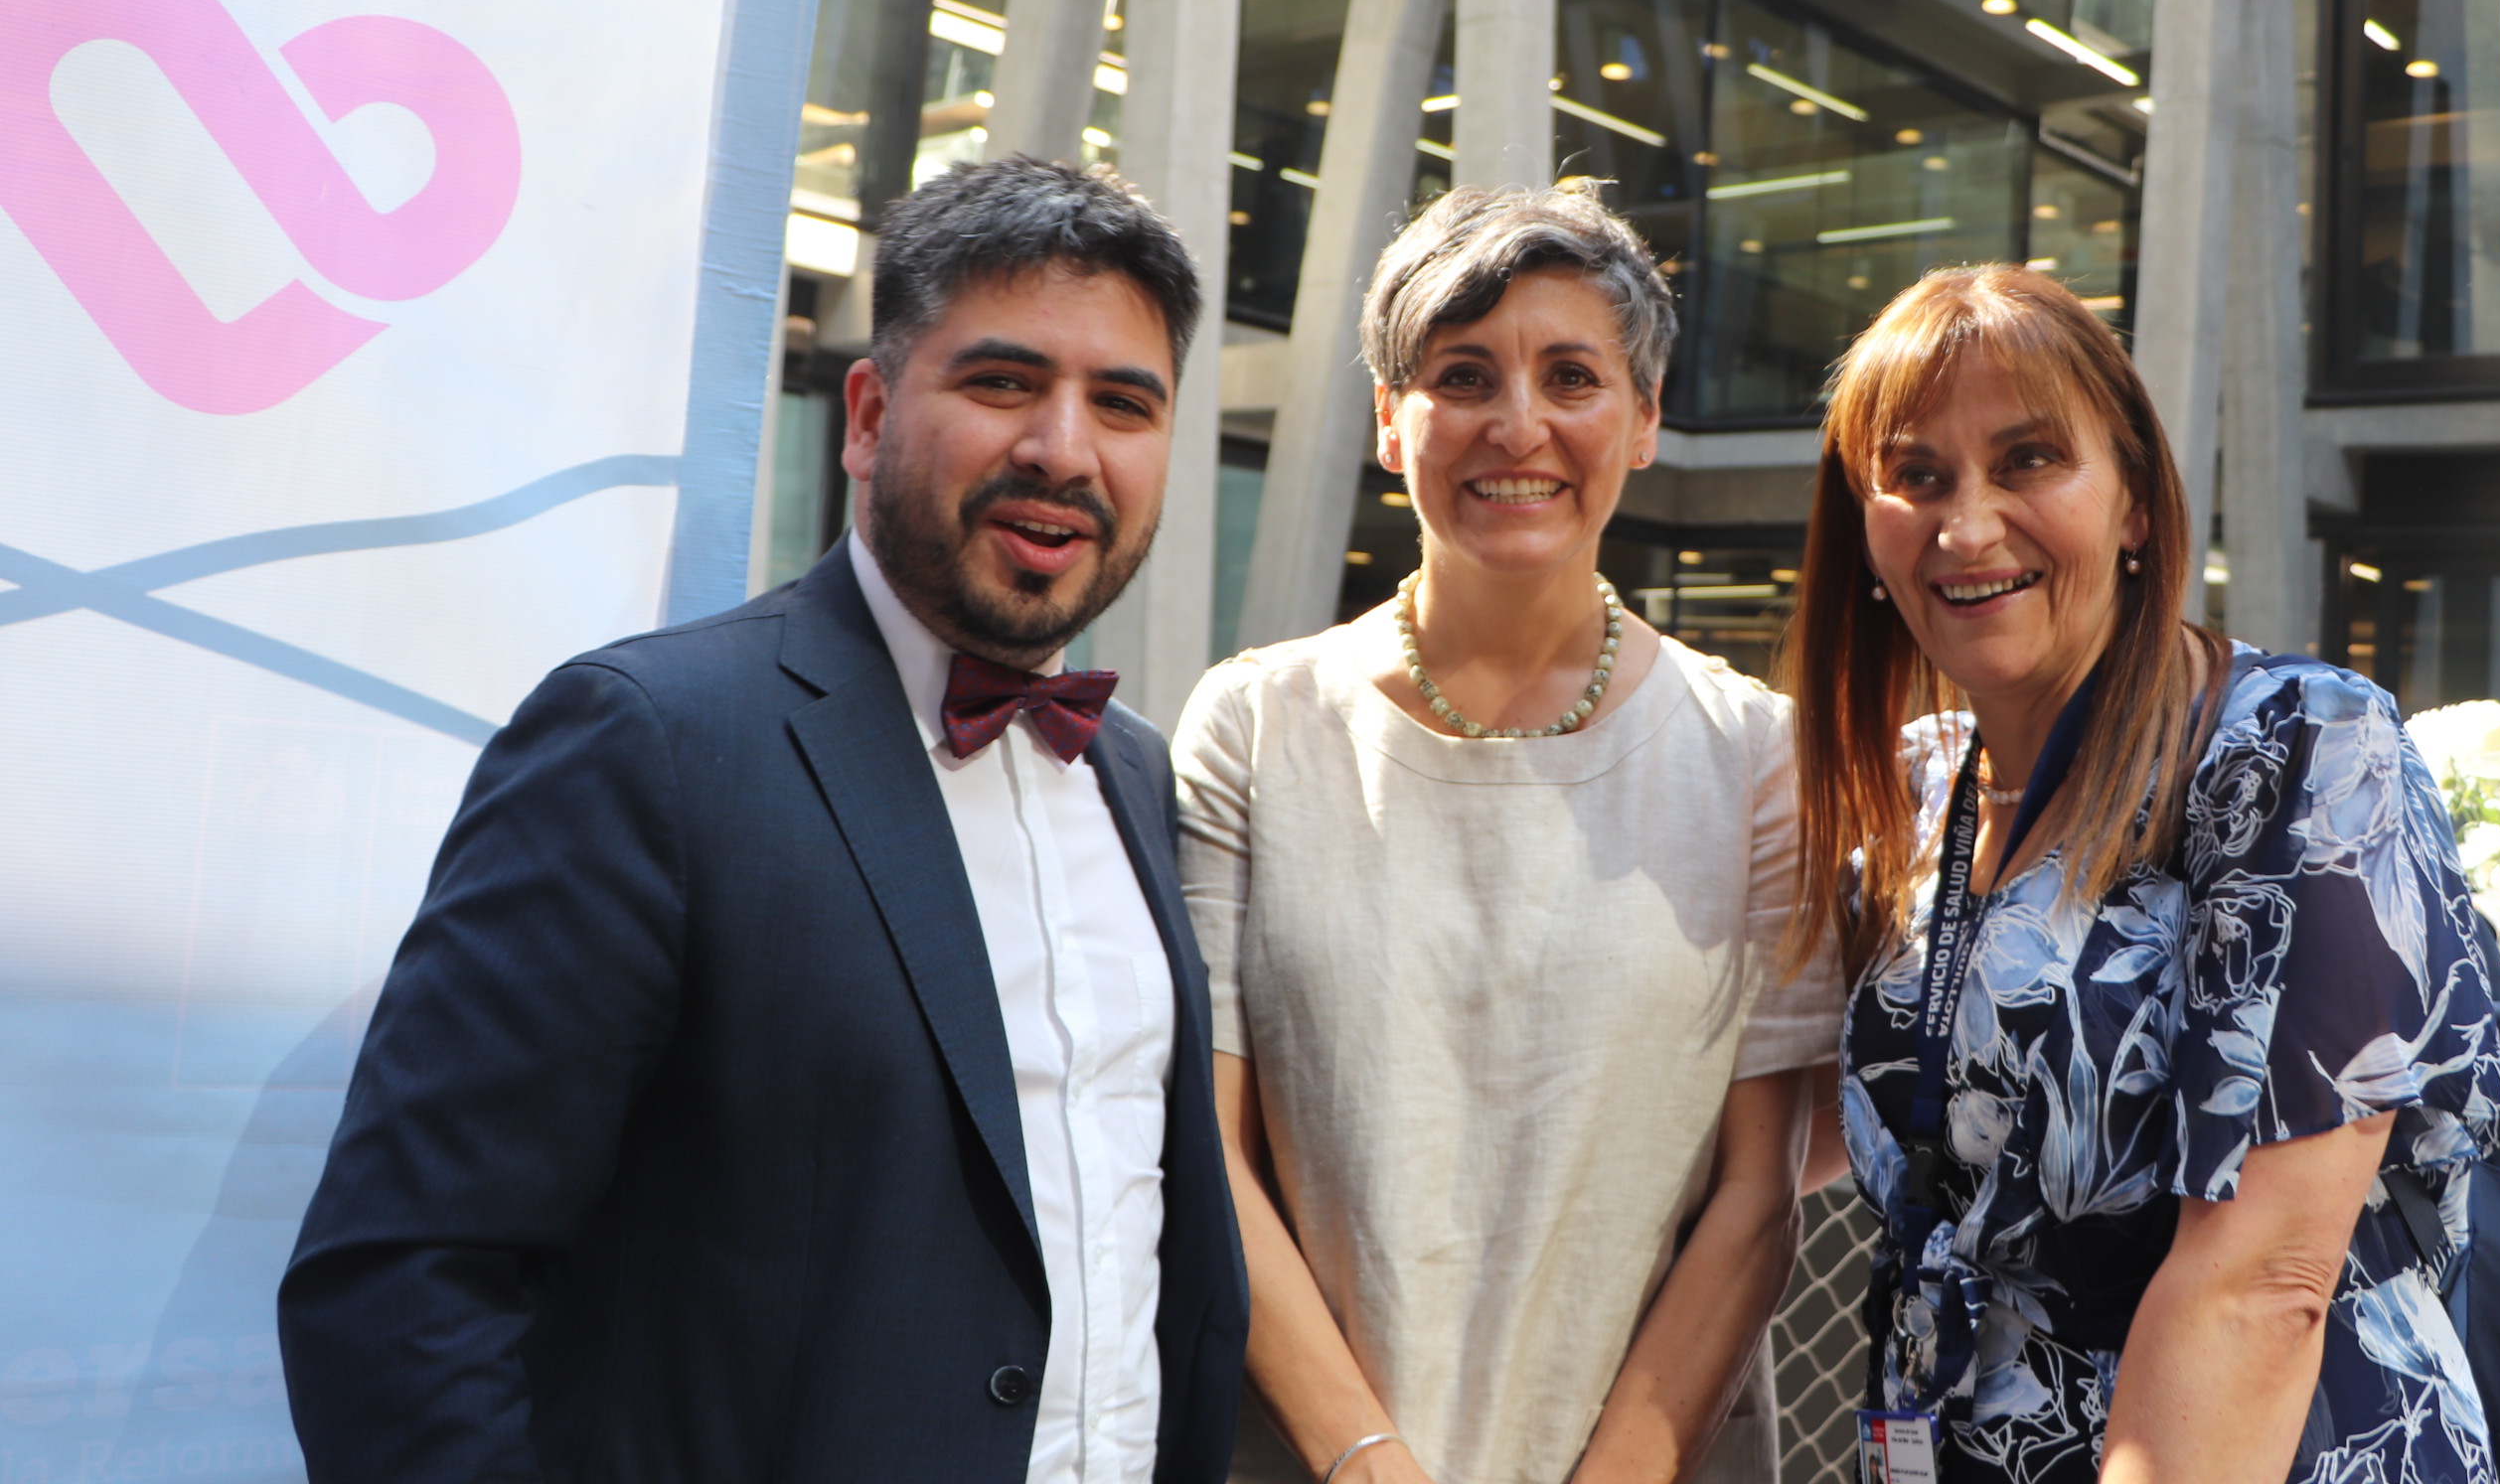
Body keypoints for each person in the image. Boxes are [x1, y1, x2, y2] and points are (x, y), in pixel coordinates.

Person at [279, 156, 1245, 1484]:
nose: (1063, 450)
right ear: (869, 416)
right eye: (1003, 382)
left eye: (1123, 404)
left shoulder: (1136, 774)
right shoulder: (649, 743)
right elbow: (400, 1291)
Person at [1789, 266, 2500, 1484]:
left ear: (2135, 499)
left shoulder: (2297, 746)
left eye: (2028, 459)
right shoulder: (1914, 791)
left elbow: (2266, 1283)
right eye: (1916, 476)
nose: (1966, 526)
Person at [1173, 185, 1839, 1484]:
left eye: (1573, 377)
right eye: (1463, 375)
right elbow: (1211, 1153)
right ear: (1389, 418)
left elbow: (1754, 1197)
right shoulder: (1254, 727)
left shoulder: (1756, 754)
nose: (1518, 425)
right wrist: (1368, 1461)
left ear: (1644, 419)